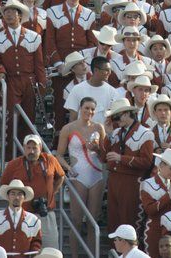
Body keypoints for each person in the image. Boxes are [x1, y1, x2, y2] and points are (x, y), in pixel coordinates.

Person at [56, 97, 105, 256]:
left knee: (92, 222)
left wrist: (97, 149)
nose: (89, 112)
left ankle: (93, 255)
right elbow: (59, 155)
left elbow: (104, 155)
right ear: (80, 108)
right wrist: (68, 168)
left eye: (92, 109)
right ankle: (74, 256)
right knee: (76, 221)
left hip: (96, 175)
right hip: (78, 175)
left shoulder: (99, 127)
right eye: (86, 108)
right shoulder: (68, 128)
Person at [0, 0, 46, 143]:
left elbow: (39, 64)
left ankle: (26, 151)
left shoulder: (34, 36)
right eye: (6, 12)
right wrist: (1, 71)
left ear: (20, 15)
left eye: (12, 12)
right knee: (11, 119)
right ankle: (10, 157)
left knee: (29, 118)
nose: (8, 15)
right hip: (10, 81)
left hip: (29, 81)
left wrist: (42, 84)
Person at [0, 134, 65, 248]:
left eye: (35, 148)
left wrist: (53, 192)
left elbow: (61, 176)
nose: (31, 151)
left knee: (51, 250)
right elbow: (4, 185)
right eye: (28, 148)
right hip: (23, 215)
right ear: (24, 148)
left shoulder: (50, 159)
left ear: (40, 147)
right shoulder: (13, 164)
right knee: (24, 250)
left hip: (46, 213)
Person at [101, 99, 154, 233]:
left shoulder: (145, 133)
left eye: (116, 117)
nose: (115, 121)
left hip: (131, 181)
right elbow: (104, 157)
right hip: (114, 180)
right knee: (114, 219)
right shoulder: (116, 132)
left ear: (125, 114)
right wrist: (107, 135)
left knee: (129, 218)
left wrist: (121, 158)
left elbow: (146, 162)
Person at [0, 179, 42, 255]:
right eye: (13, 194)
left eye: (20, 194)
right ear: (8, 196)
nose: (16, 197)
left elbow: (36, 242)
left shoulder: (33, 220)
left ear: (24, 197)